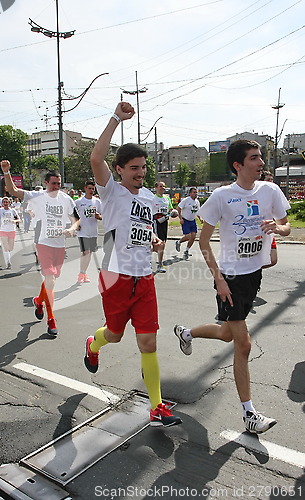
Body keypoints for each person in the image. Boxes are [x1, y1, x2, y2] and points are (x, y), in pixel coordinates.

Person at [174, 139, 290, 434]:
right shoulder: (221, 197)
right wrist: (219, 279)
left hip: (253, 275)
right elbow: (203, 241)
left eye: (260, 157)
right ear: (238, 165)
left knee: (227, 334)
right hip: (231, 278)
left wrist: (278, 228)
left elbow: (286, 225)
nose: (261, 162)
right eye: (254, 158)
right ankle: (249, 414)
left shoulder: (271, 191)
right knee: (243, 343)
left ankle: (186, 332)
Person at [84, 101, 182, 427]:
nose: (141, 173)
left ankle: (156, 407)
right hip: (116, 277)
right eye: (134, 167)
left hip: (145, 278)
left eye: (143, 167)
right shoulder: (110, 192)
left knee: (148, 342)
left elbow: (139, 228)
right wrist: (114, 117)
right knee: (113, 335)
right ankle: (92, 344)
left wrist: (153, 238)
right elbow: (96, 158)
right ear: (121, 169)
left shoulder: (151, 200)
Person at [0, 161, 79, 336]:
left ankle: (38, 300)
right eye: (53, 183)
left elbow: (76, 219)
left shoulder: (66, 199)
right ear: (46, 184)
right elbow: (13, 191)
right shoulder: (37, 196)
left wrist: (72, 229)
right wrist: (7, 172)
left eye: (59, 184)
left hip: (60, 245)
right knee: (50, 280)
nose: (57, 187)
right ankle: (51, 319)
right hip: (43, 243)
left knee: (52, 279)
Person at [75, 180, 102, 283]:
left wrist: (99, 216)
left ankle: (84, 273)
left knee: (89, 253)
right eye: (89, 188)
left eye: (93, 189)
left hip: (93, 231)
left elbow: (102, 215)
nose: (91, 190)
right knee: (85, 252)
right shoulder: (78, 202)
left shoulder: (97, 201)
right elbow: (71, 214)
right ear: (85, 188)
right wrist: (75, 224)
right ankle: (81, 274)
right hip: (82, 231)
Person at [175, 187, 201, 260]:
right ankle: (178, 242)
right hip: (185, 220)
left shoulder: (197, 202)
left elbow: (198, 211)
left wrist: (200, 218)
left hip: (192, 220)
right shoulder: (186, 200)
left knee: (193, 236)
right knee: (188, 236)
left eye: (196, 192)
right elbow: (178, 208)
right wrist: (180, 218)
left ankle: (186, 250)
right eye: (194, 192)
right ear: (190, 193)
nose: (195, 194)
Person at [153, 181, 173, 273]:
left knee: (163, 243)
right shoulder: (152, 198)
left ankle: (159, 263)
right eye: (160, 186)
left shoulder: (167, 198)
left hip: (164, 222)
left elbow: (170, 209)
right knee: (159, 243)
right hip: (155, 222)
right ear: (156, 188)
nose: (162, 188)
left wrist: (173, 213)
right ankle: (159, 264)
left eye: (164, 186)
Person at [0, 197, 20, 270]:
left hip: (12, 230)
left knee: (11, 247)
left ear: (9, 203)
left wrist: (15, 221)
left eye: (7, 202)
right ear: (2, 203)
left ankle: (8, 257)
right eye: (4, 202)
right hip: (3, 230)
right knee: (6, 247)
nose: (5, 203)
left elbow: (18, 219)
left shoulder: (13, 211)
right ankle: (8, 262)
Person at [260, 170, 277, 267]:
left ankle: (253, 269)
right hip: (257, 230)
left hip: (269, 231)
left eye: (272, 179)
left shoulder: (273, 193)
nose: (271, 182)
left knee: (273, 259)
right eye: (268, 180)